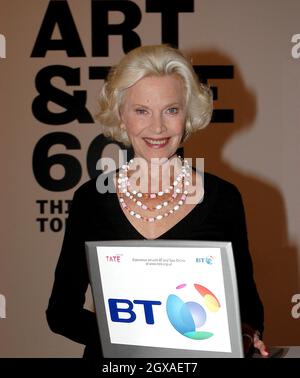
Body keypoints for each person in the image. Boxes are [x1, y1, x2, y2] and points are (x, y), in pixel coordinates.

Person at [46, 44, 269, 360]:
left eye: (171, 110)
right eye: (141, 111)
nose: (158, 128)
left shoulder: (224, 198)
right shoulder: (91, 200)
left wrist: (247, 335)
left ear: (188, 115)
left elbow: (248, 308)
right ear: (121, 116)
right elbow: (61, 312)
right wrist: (135, 339)